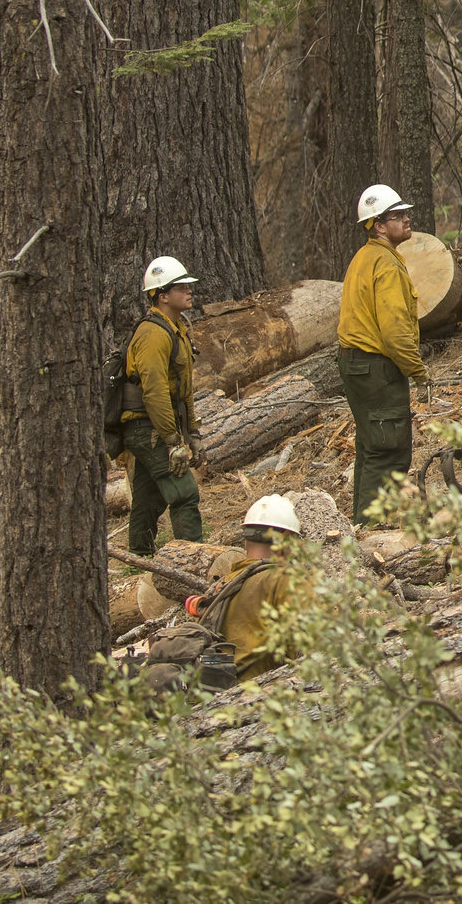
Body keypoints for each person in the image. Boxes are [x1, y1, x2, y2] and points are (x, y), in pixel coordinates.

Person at [337, 184, 427, 524]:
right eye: (398, 215)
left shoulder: (366, 258)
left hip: (357, 365)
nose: (406, 219)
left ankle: (361, 525)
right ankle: (370, 530)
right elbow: (393, 331)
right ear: (377, 225)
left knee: (371, 449)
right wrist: (418, 371)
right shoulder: (385, 264)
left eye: (405, 213)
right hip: (377, 369)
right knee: (388, 451)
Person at [121, 256, 205, 556]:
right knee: (184, 493)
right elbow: (155, 393)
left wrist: (192, 433)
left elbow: (184, 390)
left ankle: (139, 556)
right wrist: (172, 442)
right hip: (148, 429)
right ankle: (192, 561)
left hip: (154, 428)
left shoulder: (176, 328)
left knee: (148, 497)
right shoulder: (154, 334)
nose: (188, 290)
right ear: (162, 295)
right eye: (180, 287)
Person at [211, 494, 303, 682]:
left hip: (219, 693)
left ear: (245, 540)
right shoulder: (283, 580)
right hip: (260, 695)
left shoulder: (225, 583)